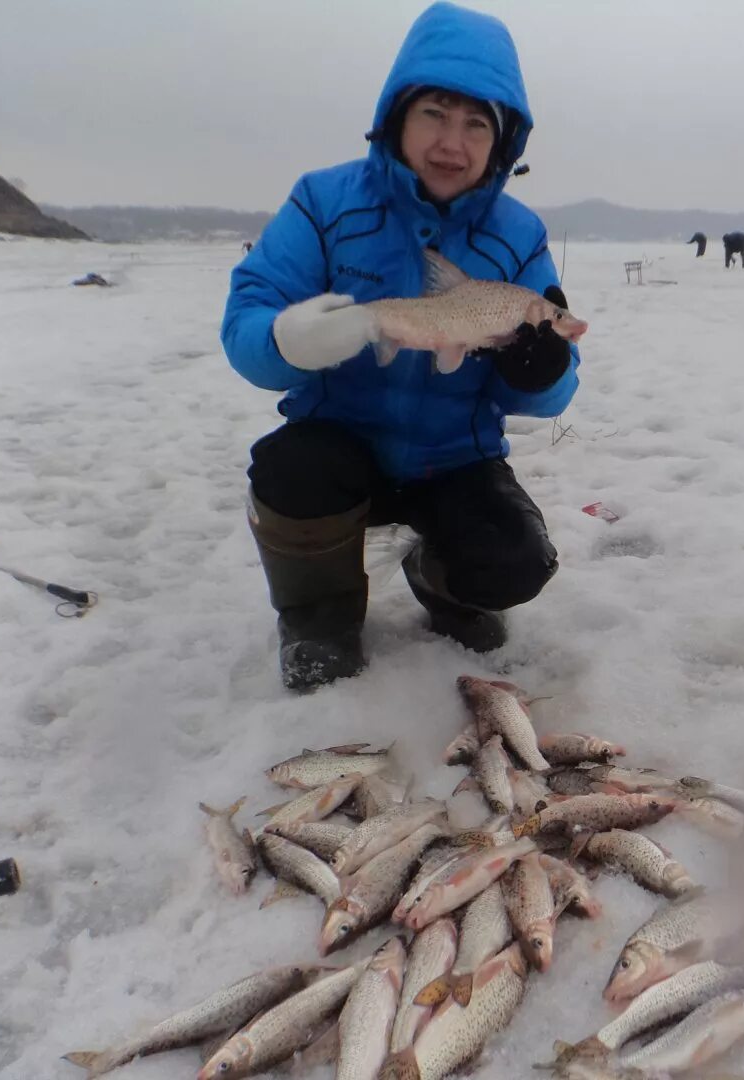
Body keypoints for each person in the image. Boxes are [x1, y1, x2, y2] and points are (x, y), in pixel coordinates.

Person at [221, 2, 580, 693]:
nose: (453, 141)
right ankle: (317, 618)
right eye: (435, 114)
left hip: (455, 459)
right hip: (338, 446)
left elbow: (556, 388)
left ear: (502, 143)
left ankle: (439, 580)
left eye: (478, 124)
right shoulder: (324, 202)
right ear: (396, 117)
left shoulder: (519, 235)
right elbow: (249, 320)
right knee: (289, 468)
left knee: (517, 560)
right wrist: (284, 339)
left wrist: (541, 371)